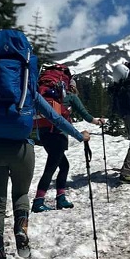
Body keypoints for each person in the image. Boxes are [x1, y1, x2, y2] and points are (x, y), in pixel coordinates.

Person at [0, 30, 90, 259]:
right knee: (20, 195)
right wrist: (78, 135)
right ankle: (21, 233)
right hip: (23, 147)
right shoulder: (28, 87)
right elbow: (55, 117)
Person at [32, 78, 105, 212]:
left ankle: (60, 198)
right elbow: (85, 115)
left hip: (44, 134)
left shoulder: (46, 96)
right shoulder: (71, 97)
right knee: (51, 168)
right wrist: (97, 122)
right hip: (58, 135)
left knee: (64, 166)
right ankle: (38, 201)